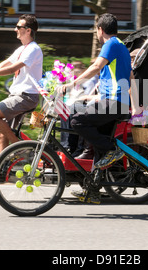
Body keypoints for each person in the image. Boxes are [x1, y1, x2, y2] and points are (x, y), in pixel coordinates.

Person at [57, 13, 141, 203]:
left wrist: (73, 84)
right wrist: (134, 105)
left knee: (76, 120)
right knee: (97, 146)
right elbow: (131, 77)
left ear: (100, 29)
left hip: (113, 103)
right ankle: (93, 191)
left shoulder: (110, 44)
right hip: (116, 103)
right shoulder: (122, 47)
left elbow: (96, 66)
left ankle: (113, 150)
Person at [0, 14, 43, 155]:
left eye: (18, 27)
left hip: (26, 97)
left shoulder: (33, 49)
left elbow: (11, 69)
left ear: (28, 30)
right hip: (17, 95)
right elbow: (3, 64)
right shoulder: (22, 49)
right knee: (1, 134)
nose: (15, 29)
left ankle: (18, 146)